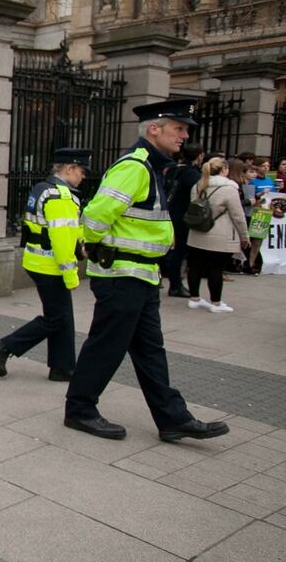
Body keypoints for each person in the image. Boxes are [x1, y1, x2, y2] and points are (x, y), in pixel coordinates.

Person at [64, 98, 230, 442]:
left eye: (185, 130)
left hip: (141, 276)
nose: (184, 135)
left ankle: (172, 418)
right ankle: (79, 409)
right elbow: (93, 218)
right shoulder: (135, 166)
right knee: (106, 346)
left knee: (150, 350)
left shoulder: (152, 167)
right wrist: (99, 249)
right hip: (123, 275)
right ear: (154, 129)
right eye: (179, 128)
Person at [0, 148, 89, 382]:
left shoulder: (42, 188)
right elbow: (62, 239)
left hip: (36, 260)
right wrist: (71, 275)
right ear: (70, 168)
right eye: (81, 171)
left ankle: (62, 367)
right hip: (50, 265)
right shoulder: (60, 195)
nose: (83, 176)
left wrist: (80, 244)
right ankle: (3, 346)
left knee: (62, 317)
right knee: (56, 318)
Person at [185, 158, 249, 313]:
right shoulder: (229, 189)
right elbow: (238, 216)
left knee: (195, 267)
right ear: (224, 169)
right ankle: (216, 302)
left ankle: (194, 298)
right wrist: (244, 236)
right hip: (220, 234)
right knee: (216, 269)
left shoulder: (198, 186)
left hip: (196, 233)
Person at [163, 143, 204, 297]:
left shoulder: (173, 170)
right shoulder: (192, 174)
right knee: (178, 252)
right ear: (200, 156)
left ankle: (171, 281)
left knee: (171, 250)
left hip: (170, 212)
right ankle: (175, 285)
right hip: (181, 215)